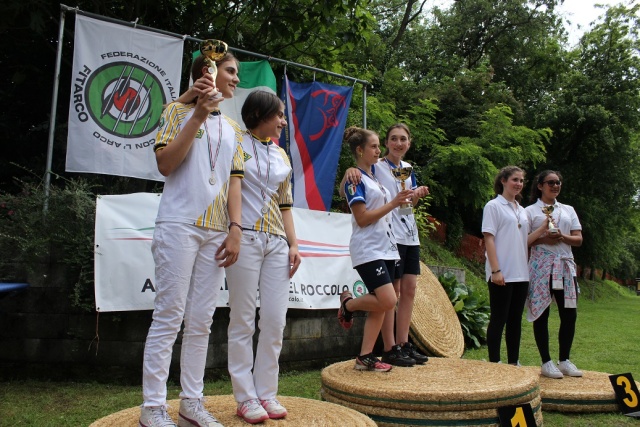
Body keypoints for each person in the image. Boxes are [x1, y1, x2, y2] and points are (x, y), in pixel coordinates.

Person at [140, 52, 243, 427]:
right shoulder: (175, 112)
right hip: (179, 224)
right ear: (208, 73)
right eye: (230, 71)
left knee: (201, 320)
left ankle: (191, 403)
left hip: (217, 232)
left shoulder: (233, 129)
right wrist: (196, 113)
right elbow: (166, 165)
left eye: (235, 72)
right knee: (169, 316)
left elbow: (235, 182)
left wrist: (235, 228)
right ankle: (152, 406)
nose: (235, 78)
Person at [224, 91, 301, 424]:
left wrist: (294, 244)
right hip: (246, 238)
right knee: (241, 319)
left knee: (274, 320)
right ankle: (245, 397)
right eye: (279, 115)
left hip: (277, 243)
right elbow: (231, 188)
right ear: (258, 113)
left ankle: (267, 392)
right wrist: (235, 229)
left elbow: (286, 205)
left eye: (283, 115)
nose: (283, 121)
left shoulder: (282, 154)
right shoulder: (235, 141)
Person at [340, 124, 430, 367]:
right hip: (370, 247)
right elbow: (359, 212)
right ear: (361, 150)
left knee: (385, 301)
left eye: (403, 139)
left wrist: (411, 199)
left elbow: (401, 207)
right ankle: (350, 306)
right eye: (376, 145)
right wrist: (351, 169)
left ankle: (366, 355)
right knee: (389, 299)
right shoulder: (366, 174)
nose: (379, 150)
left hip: (388, 244)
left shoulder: (378, 176)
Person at [525, 170, 583, 379]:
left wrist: (562, 236)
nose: (555, 185)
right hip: (541, 266)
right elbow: (524, 240)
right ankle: (546, 362)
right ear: (540, 185)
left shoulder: (568, 210)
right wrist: (543, 239)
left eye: (558, 182)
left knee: (570, 313)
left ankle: (564, 359)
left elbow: (578, 239)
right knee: (542, 312)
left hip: (565, 266)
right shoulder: (530, 211)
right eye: (550, 182)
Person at [481, 166, 529, 365]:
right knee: (499, 319)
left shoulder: (522, 210)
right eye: (514, 179)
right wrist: (496, 270)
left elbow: (523, 239)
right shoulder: (493, 206)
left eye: (521, 180)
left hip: (521, 273)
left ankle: (513, 363)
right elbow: (488, 238)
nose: (518, 184)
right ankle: (495, 363)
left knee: (515, 321)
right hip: (502, 272)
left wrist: (545, 228)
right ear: (503, 181)